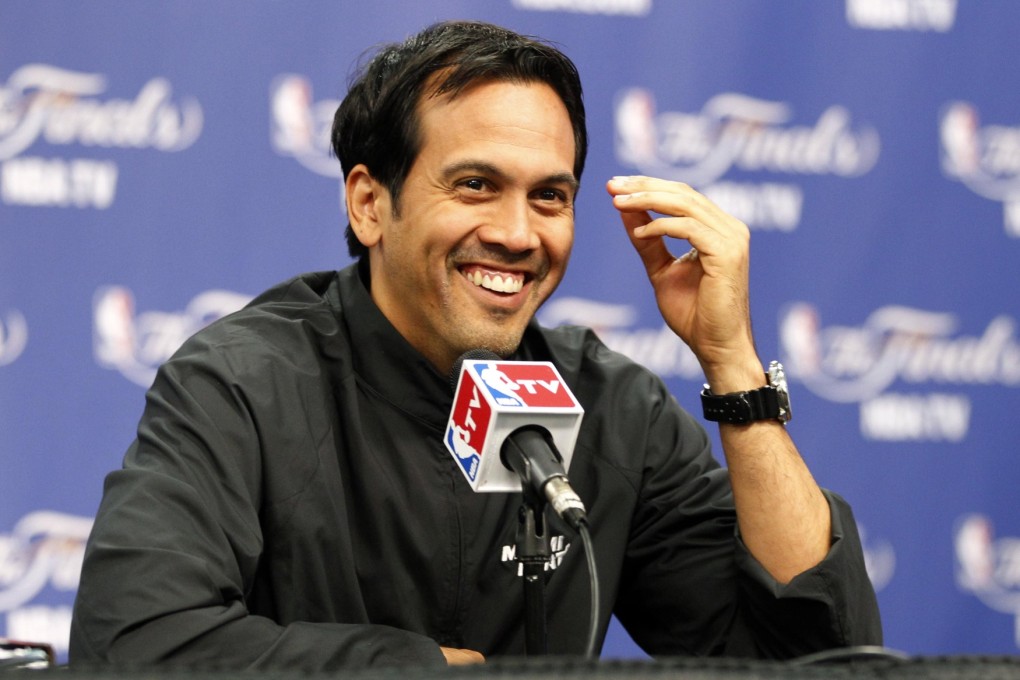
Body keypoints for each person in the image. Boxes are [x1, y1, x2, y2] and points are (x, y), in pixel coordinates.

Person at [70, 20, 882, 671]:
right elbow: (134, 644)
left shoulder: (614, 407)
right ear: (369, 205)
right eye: (476, 185)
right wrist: (416, 671)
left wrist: (732, 366)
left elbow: (817, 660)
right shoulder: (243, 382)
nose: (517, 234)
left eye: (550, 197)